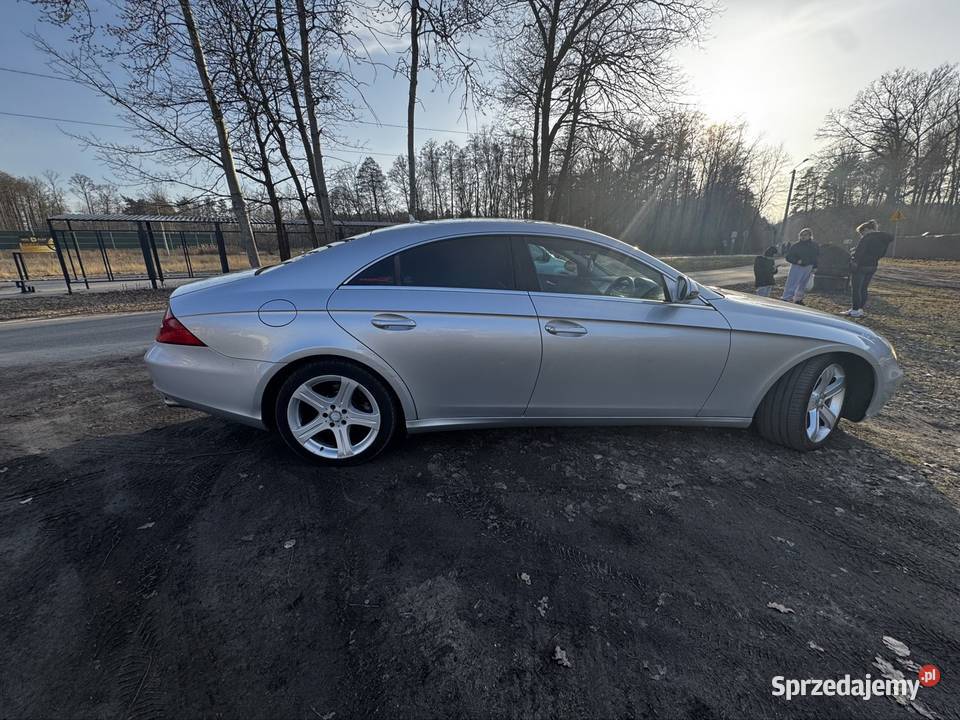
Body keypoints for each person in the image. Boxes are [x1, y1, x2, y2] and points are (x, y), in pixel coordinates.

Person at [841, 219, 893, 318]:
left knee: (856, 288)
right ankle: (860, 309)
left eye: (862, 232)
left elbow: (860, 252)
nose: (861, 235)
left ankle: (855, 309)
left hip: (861, 266)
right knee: (864, 288)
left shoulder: (867, 238)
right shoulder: (884, 239)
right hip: (873, 265)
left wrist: (854, 259)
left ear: (867, 229)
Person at [781, 228, 819, 304]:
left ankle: (798, 299)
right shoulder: (796, 246)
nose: (803, 236)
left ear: (810, 236)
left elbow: (816, 257)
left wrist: (815, 266)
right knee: (792, 282)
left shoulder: (814, 245)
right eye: (801, 235)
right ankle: (786, 298)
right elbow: (788, 257)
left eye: (805, 235)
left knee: (803, 284)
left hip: (808, 266)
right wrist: (797, 261)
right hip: (797, 266)